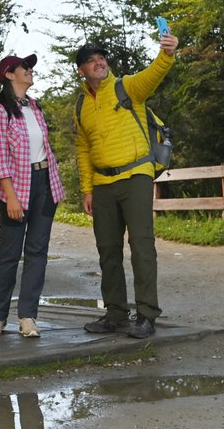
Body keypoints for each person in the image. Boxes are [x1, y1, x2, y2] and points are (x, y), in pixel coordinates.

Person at [73, 33, 179, 338]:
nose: (99, 63)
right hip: (103, 183)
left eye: (101, 58)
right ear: (81, 70)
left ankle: (146, 315)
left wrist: (167, 54)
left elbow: (154, 73)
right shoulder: (81, 105)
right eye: (91, 61)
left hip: (135, 176)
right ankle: (115, 314)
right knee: (107, 250)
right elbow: (82, 148)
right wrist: (87, 190)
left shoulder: (126, 87)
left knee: (141, 245)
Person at [0, 53, 65, 338]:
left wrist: (53, 186)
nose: (30, 71)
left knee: (37, 252)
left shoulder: (36, 108)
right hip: (15, 187)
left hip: (44, 184)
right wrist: (12, 197)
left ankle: (28, 317)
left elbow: (44, 150)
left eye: (30, 68)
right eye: (24, 68)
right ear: (9, 75)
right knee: (9, 254)